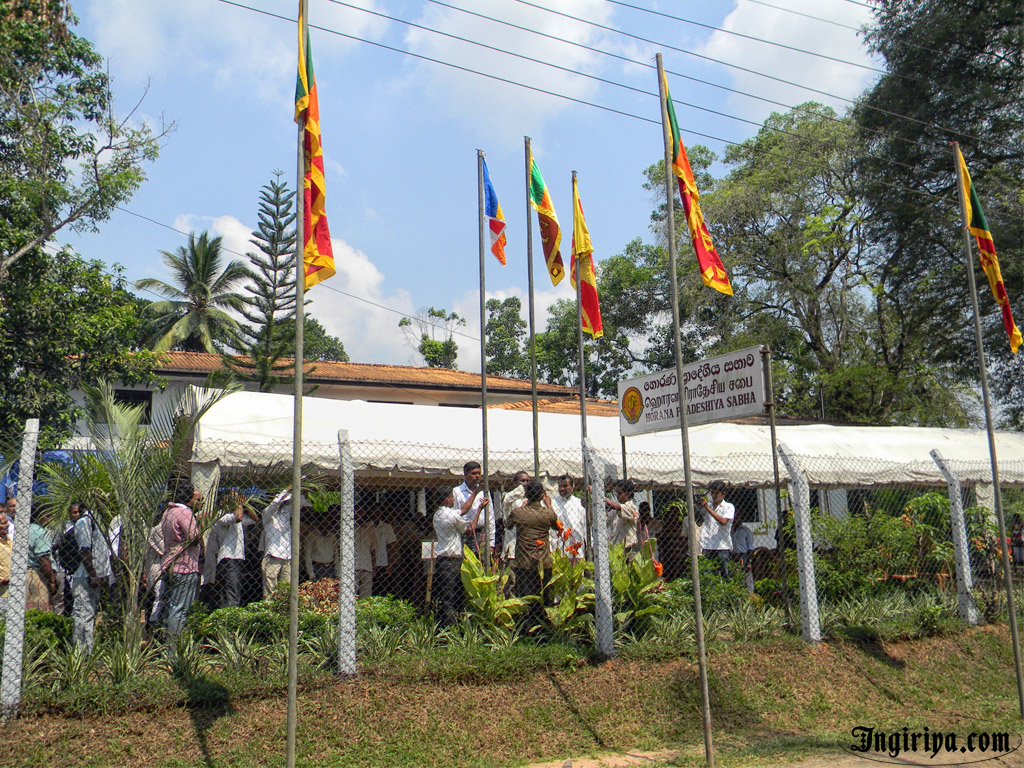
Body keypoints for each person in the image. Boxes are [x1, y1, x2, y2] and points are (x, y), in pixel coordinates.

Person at [505, 480, 559, 631]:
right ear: (542, 495)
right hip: (543, 562)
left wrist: (522, 507)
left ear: (526, 495)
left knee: (525, 596)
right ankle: (543, 628)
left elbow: (508, 525)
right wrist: (549, 505)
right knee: (543, 595)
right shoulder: (548, 513)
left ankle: (524, 628)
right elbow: (556, 526)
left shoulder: (519, 513)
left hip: (524, 562)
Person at [432, 488, 485, 626]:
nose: (454, 500)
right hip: (452, 562)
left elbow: (463, 509)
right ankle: (451, 626)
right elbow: (470, 529)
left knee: (444, 595)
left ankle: (443, 625)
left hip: (441, 560)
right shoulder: (451, 515)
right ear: (446, 500)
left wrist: (474, 494)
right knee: (453, 595)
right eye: (452, 497)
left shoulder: (437, 514)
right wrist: (479, 509)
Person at [160, 478, 205, 638]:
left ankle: (166, 642)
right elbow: (193, 537)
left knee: (171, 606)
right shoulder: (184, 512)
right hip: (185, 566)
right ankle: (174, 646)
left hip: (170, 563)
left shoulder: (168, 512)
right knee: (180, 609)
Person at [71, 504, 111, 655]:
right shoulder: (84, 522)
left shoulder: (98, 520)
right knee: (82, 615)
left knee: (89, 615)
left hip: (96, 577)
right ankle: (80, 653)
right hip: (85, 576)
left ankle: (89, 651)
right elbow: (85, 550)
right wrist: (93, 575)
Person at [212, 491, 258, 607]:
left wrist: (246, 504)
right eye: (232, 497)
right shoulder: (221, 515)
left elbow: (254, 519)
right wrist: (239, 504)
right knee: (232, 592)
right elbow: (238, 517)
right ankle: (231, 612)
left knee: (233, 589)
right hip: (228, 557)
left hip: (236, 557)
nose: (235, 500)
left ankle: (227, 612)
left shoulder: (236, 514)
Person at [260, 487, 307, 599]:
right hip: (273, 556)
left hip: (287, 556)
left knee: (286, 589)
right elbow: (274, 505)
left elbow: (300, 503)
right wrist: (286, 489)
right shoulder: (267, 513)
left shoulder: (286, 511)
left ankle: (283, 608)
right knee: (270, 590)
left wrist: (300, 488)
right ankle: (270, 607)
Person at [452, 461, 494, 561]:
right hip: (465, 535)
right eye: (473, 473)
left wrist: (491, 542)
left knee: (481, 564)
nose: (477, 476)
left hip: (481, 534)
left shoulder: (484, 492)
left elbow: (490, 517)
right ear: (465, 474)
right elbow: (455, 514)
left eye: (479, 473)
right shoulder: (457, 491)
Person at [699, 480, 735, 579]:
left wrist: (707, 508)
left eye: (716, 493)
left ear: (723, 494)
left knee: (725, 575)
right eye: (712, 493)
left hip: (722, 546)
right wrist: (698, 507)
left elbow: (723, 521)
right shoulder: (708, 505)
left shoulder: (728, 507)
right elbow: (699, 522)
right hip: (708, 545)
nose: (714, 496)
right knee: (708, 577)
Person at [26, 503, 57, 611]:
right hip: (37, 573)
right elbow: (43, 559)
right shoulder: (41, 533)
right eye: (48, 516)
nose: (50, 520)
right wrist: (52, 580)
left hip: (24, 572)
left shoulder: (24, 529)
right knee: (39, 607)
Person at [550, 475, 586, 558]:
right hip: (559, 546)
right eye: (560, 486)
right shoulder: (553, 503)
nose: (561, 489)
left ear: (572, 487)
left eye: (565, 486)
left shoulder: (579, 503)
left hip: (577, 545)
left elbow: (585, 525)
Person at [501, 471, 531, 563]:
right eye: (522, 481)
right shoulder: (509, 497)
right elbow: (507, 502)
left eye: (527, 481)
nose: (525, 483)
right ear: (515, 483)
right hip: (512, 539)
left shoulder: (530, 499)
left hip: (527, 540)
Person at [303, 507, 339, 582]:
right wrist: (311, 574)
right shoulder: (312, 535)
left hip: (330, 568)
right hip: (317, 567)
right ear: (319, 521)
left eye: (328, 520)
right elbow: (307, 555)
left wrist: (337, 571)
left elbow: (336, 554)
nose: (326, 523)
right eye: (324, 520)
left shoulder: (332, 536)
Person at [605, 479, 639, 552]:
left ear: (628, 493)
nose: (617, 496)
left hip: (628, 548)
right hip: (616, 548)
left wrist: (599, 495)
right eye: (616, 493)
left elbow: (613, 505)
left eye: (619, 493)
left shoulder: (632, 508)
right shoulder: (614, 512)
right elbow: (604, 522)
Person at [372, 506, 398, 596]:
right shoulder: (367, 527)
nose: (376, 514)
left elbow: (392, 546)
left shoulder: (387, 527)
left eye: (378, 512)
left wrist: (390, 564)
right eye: (374, 512)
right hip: (369, 563)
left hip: (383, 562)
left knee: (382, 589)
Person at [354, 503, 376, 599]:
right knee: (351, 594)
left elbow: (373, 549)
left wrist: (374, 566)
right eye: (357, 511)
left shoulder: (369, 529)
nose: (359, 514)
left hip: (367, 566)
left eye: (361, 512)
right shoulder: (349, 528)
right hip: (353, 567)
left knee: (366, 597)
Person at [731, 516, 755, 593]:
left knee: (746, 575)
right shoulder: (729, 530)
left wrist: (749, 561)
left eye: (737, 518)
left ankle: (749, 593)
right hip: (732, 556)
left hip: (743, 555)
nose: (735, 519)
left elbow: (750, 547)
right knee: (734, 575)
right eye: (734, 518)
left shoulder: (746, 530)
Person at [0, 511, 11, 615]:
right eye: (3, 523)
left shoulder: (9, 540)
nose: (7, 525)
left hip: (12, 589)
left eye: (7, 522)